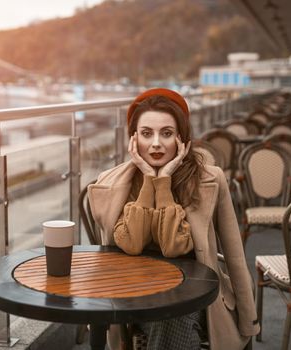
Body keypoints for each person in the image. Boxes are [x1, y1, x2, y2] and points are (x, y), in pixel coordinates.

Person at [88, 88, 259, 350]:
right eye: (147, 133)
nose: (156, 143)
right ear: (133, 139)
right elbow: (131, 244)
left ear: (182, 138)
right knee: (163, 313)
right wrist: (149, 180)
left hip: (197, 294)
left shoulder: (209, 179)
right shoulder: (112, 183)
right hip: (133, 293)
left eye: (166, 133)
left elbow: (223, 253)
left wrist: (247, 318)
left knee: (170, 314)